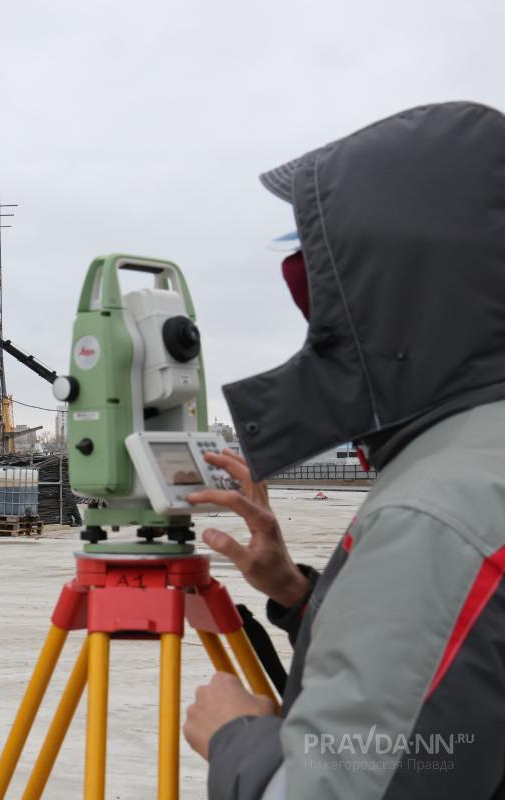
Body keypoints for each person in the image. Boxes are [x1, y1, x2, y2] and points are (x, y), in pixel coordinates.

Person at [183, 101, 505, 799]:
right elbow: (466, 682)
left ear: (379, 293)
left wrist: (237, 738)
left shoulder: (439, 514)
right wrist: (300, 596)